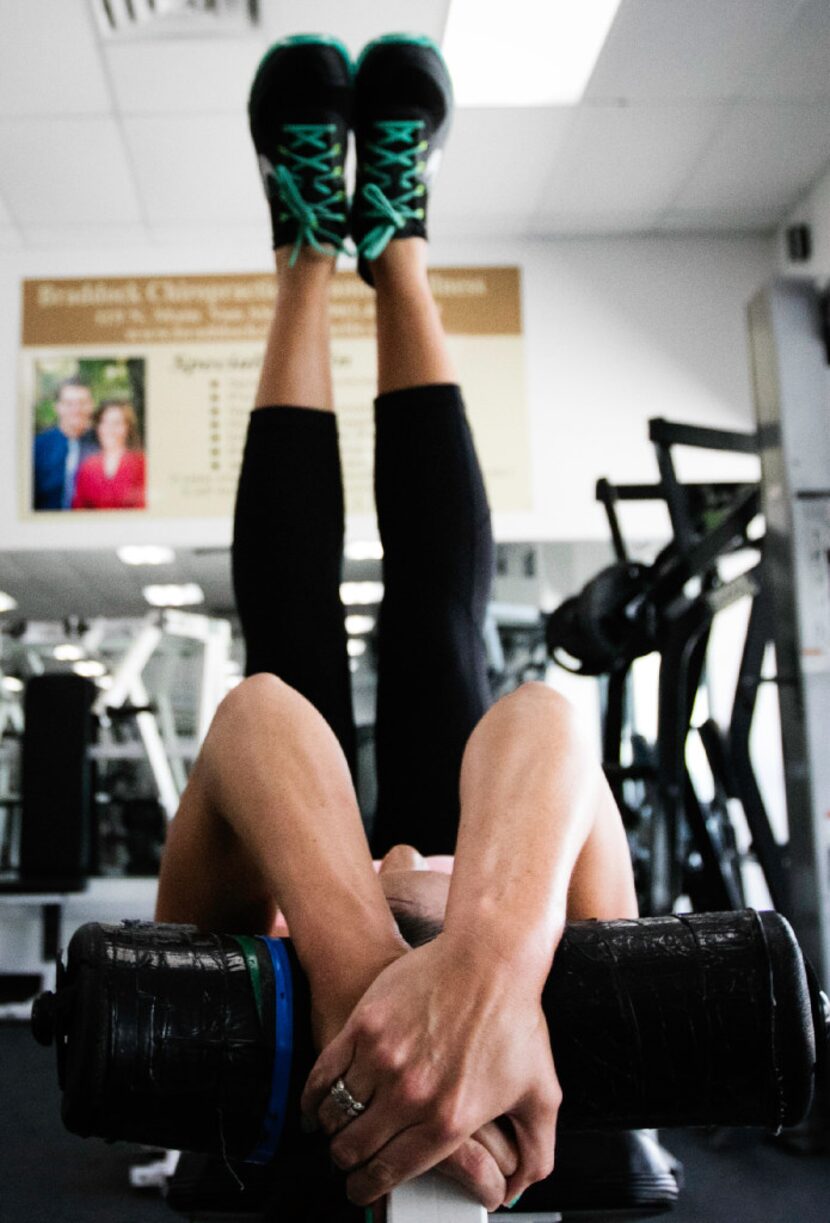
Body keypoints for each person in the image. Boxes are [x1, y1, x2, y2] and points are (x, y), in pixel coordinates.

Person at [155, 34, 642, 1217]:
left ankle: (309, 256)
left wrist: (359, 961)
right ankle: (398, 249)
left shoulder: (252, 1150)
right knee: (439, 639)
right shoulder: (583, 1130)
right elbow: (544, 723)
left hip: (298, 918)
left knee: (291, 651)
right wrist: (477, 962)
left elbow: (254, 718)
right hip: (474, 890)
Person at [32, 376, 99, 510]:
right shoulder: (37, 447)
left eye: (82, 403)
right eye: (69, 403)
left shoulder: (102, 444)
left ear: (91, 405)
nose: (76, 409)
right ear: (57, 407)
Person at [71, 399, 146, 510]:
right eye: (104, 422)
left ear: (128, 428)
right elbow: (78, 510)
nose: (110, 429)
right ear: (98, 427)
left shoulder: (141, 464)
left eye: (117, 423)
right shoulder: (87, 467)